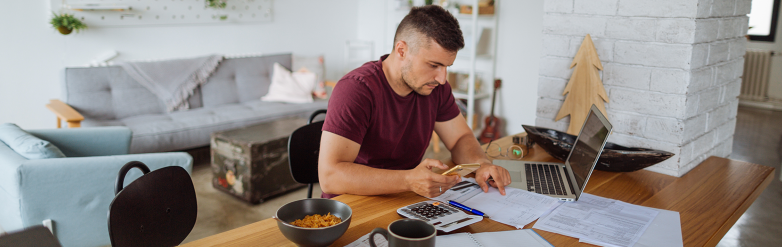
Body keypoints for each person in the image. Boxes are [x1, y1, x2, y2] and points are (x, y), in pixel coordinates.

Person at [318, 5, 511, 199]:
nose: (442, 79)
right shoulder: (357, 90)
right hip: (353, 206)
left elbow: (460, 138)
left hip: (405, 198)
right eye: (434, 65)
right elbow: (330, 176)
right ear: (401, 50)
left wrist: (481, 164)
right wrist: (409, 180)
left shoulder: (436, 87)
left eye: (446, 67)